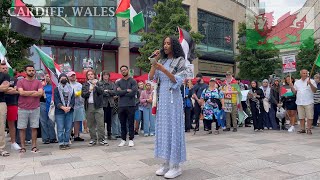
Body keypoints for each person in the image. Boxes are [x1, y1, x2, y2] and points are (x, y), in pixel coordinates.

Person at [149, 36, 188, 179]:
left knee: (174, 129)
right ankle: (165, 162)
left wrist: (163, 70)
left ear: (174, 45)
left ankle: (175, 166)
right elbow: (151, 78)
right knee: (164, 129)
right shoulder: (162, 61)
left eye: (168, 43)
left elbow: (178, 80)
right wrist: (154, 63)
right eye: (164, 43)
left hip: (174, 98)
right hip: (163, 98)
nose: (165, 46)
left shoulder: (180, 61)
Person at [17, 65, 43, 153]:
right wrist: (33, 92)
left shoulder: (38, 82)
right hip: (22, 107)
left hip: (35, 107)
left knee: (34, 127)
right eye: (29, 70)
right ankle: (23, 147)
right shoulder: (20, 82)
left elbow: (40, 94)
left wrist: (26, 93)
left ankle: (34, 146)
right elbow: (21, 93)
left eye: (33, 70)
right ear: (25, 72)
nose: (31, 72)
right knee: (22, 128)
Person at [82, 70, 107, 146]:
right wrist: (89, 90)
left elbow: (102, 92)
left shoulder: (99, 83)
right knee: (91, 124)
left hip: (98, 106)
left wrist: (95, 85)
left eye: (91, 74)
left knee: (100, 124)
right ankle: (93, 139)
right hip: (89, 106)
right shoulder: (85, 85)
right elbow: (83, 95)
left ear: (94, 75)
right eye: (88, 74)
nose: (90, 76)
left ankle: (101, 139)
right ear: (87, 76)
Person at [116, 65, 138, 147]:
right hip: (121, 105)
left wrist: (122, 92)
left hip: (131, 105)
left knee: (130, 123)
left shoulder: (133, 81)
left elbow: (133, 93)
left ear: (128, 70)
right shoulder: (118, 82)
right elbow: (117, 93)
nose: (123, 71)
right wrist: (126, 91)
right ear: (120, 72)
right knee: (122, 123)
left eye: (125, 70)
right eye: (122, 70)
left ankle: (131, 139)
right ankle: (123, 139)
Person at [290, 69, 317, 134]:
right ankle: (302, 129)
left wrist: (310, 84)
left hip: (308, 101)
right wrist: (291, 87)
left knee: (309, 116)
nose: (305, 74)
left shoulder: (312, 81)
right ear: (301, 74)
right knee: (301, 117)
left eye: (306, 73)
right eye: (303, 73)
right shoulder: (297, 82)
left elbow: (315, 90)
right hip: (299, 102)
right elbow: (294, 92)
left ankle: (309, 129)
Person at [1, 63, 21, 151]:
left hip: (11, 103)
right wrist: (8, 89)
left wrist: (6, 90)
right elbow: (8, 89)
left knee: (11, 124)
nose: (5, 69)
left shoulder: (13, 79)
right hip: (2, 102)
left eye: (6, 68)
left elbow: (16, 91)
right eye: (3, 68)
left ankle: (13, 142)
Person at [54, 73, 75, 150]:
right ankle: (61, 143)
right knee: (60, 127)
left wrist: (69, 107)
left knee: (68, 127)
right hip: (59, 111)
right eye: (61, 78)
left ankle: (66, 142)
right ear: (59, 79)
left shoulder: (71, 89)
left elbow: (73, 99)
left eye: (65, 78)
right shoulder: (56, 89)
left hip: (69, 110)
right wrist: (63, 107)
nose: (63, 79)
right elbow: (56, 100)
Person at [40, 73, 57, 144]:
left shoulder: (54, 85)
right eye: (46, 76)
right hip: (43, 103)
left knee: (51, 121)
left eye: (49, 76)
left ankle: (53, 137)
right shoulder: (41, 85)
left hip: (52, 104)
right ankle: (45, 138)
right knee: (43, 121)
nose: (48, 77)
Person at [99, 71, 117, 140]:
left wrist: (107, 91)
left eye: (107, 75)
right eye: (104, 75)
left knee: (109, 120)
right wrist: (108, 92)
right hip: (103, 104)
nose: (106, 76)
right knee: (102, 120)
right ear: (102, 76)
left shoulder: (112, 83)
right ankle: (102, 135)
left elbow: (114, 92)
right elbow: (101, 92)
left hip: (110, 104)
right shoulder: (100, 83)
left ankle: (109, 134)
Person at [68, 71, 85, 141]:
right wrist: (73, 95)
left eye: (74, 75)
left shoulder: (79, 85)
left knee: (77, 120)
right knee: (69, 121)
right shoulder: (67, 85)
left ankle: (76, 135)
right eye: (71, 76)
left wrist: (80, 95)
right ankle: (68, 135)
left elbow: (83, 93)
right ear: (68, 77)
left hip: (78, 105)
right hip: (69, 106)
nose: (73, 77)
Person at [0, 65, 10, 156]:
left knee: (1, 127)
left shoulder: (4, 75)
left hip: (1, 103)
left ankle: (1, 148)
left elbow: (4, 88)